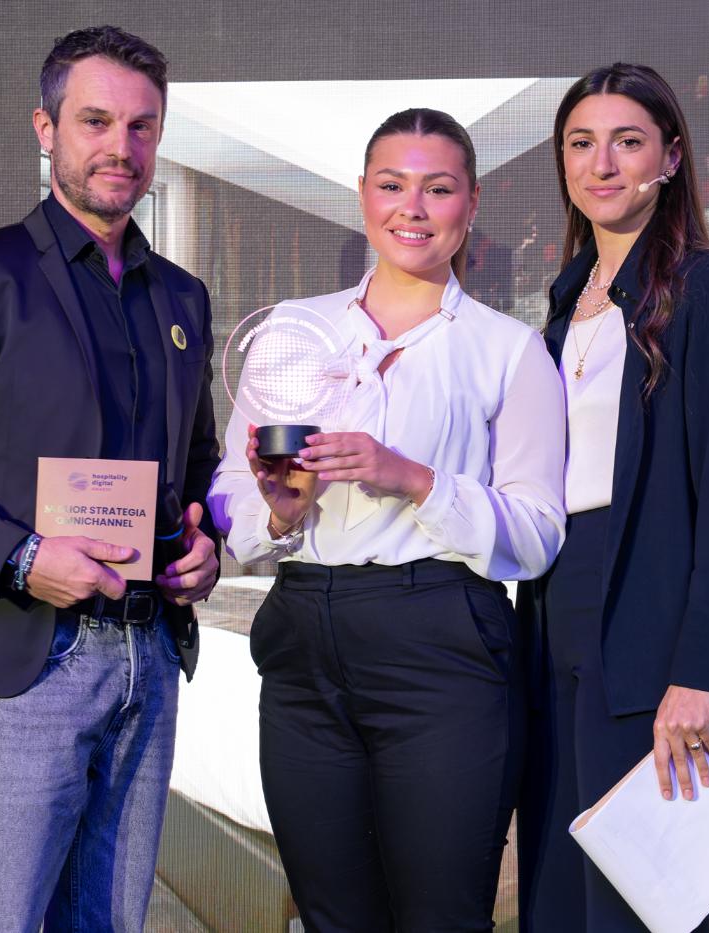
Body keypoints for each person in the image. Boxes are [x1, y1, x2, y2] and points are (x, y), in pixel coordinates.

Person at [0, 26, 220, 931]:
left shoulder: (181, 296)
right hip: (27, 658)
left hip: (147, 659)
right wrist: (23, 556)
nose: (121, 146)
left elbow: (196, 464)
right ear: (46, 128)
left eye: (142, 126)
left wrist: (205, 542)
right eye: (96, 121)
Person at [208, 108, 566, 932]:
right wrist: (278, 509)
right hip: (304, 639)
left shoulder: (509, 350)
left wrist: (409, 478)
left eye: (437, 188)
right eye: (392, 185)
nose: (413, 207)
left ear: (471, 202)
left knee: (442, 916)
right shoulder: (293, 331)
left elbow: (539, 533)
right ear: (362, 195)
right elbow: (233, 496)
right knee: (332, 916)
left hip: (442, 643)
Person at [515, 64, 709, 932]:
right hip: (552, 612)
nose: (602, 164)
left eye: (627, 142)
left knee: (633, 904)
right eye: (581, 143)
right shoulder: (564, 302)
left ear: (669, 157)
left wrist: (697, 670)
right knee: (556, 894)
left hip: (645, 621)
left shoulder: (706, 289)